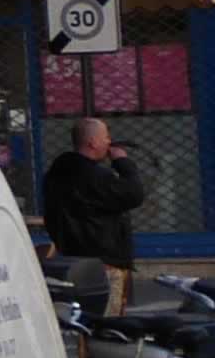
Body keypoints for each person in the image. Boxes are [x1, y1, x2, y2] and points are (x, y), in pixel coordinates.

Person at [41, 117, 149, 314]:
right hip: (102, 262)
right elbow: (133, 194)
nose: (109, 142)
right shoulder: (92, 175)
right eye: (106, 137)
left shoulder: (58, 173)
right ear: (92, 142)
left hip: (73, 259)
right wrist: (123, 162)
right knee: (108, 322)